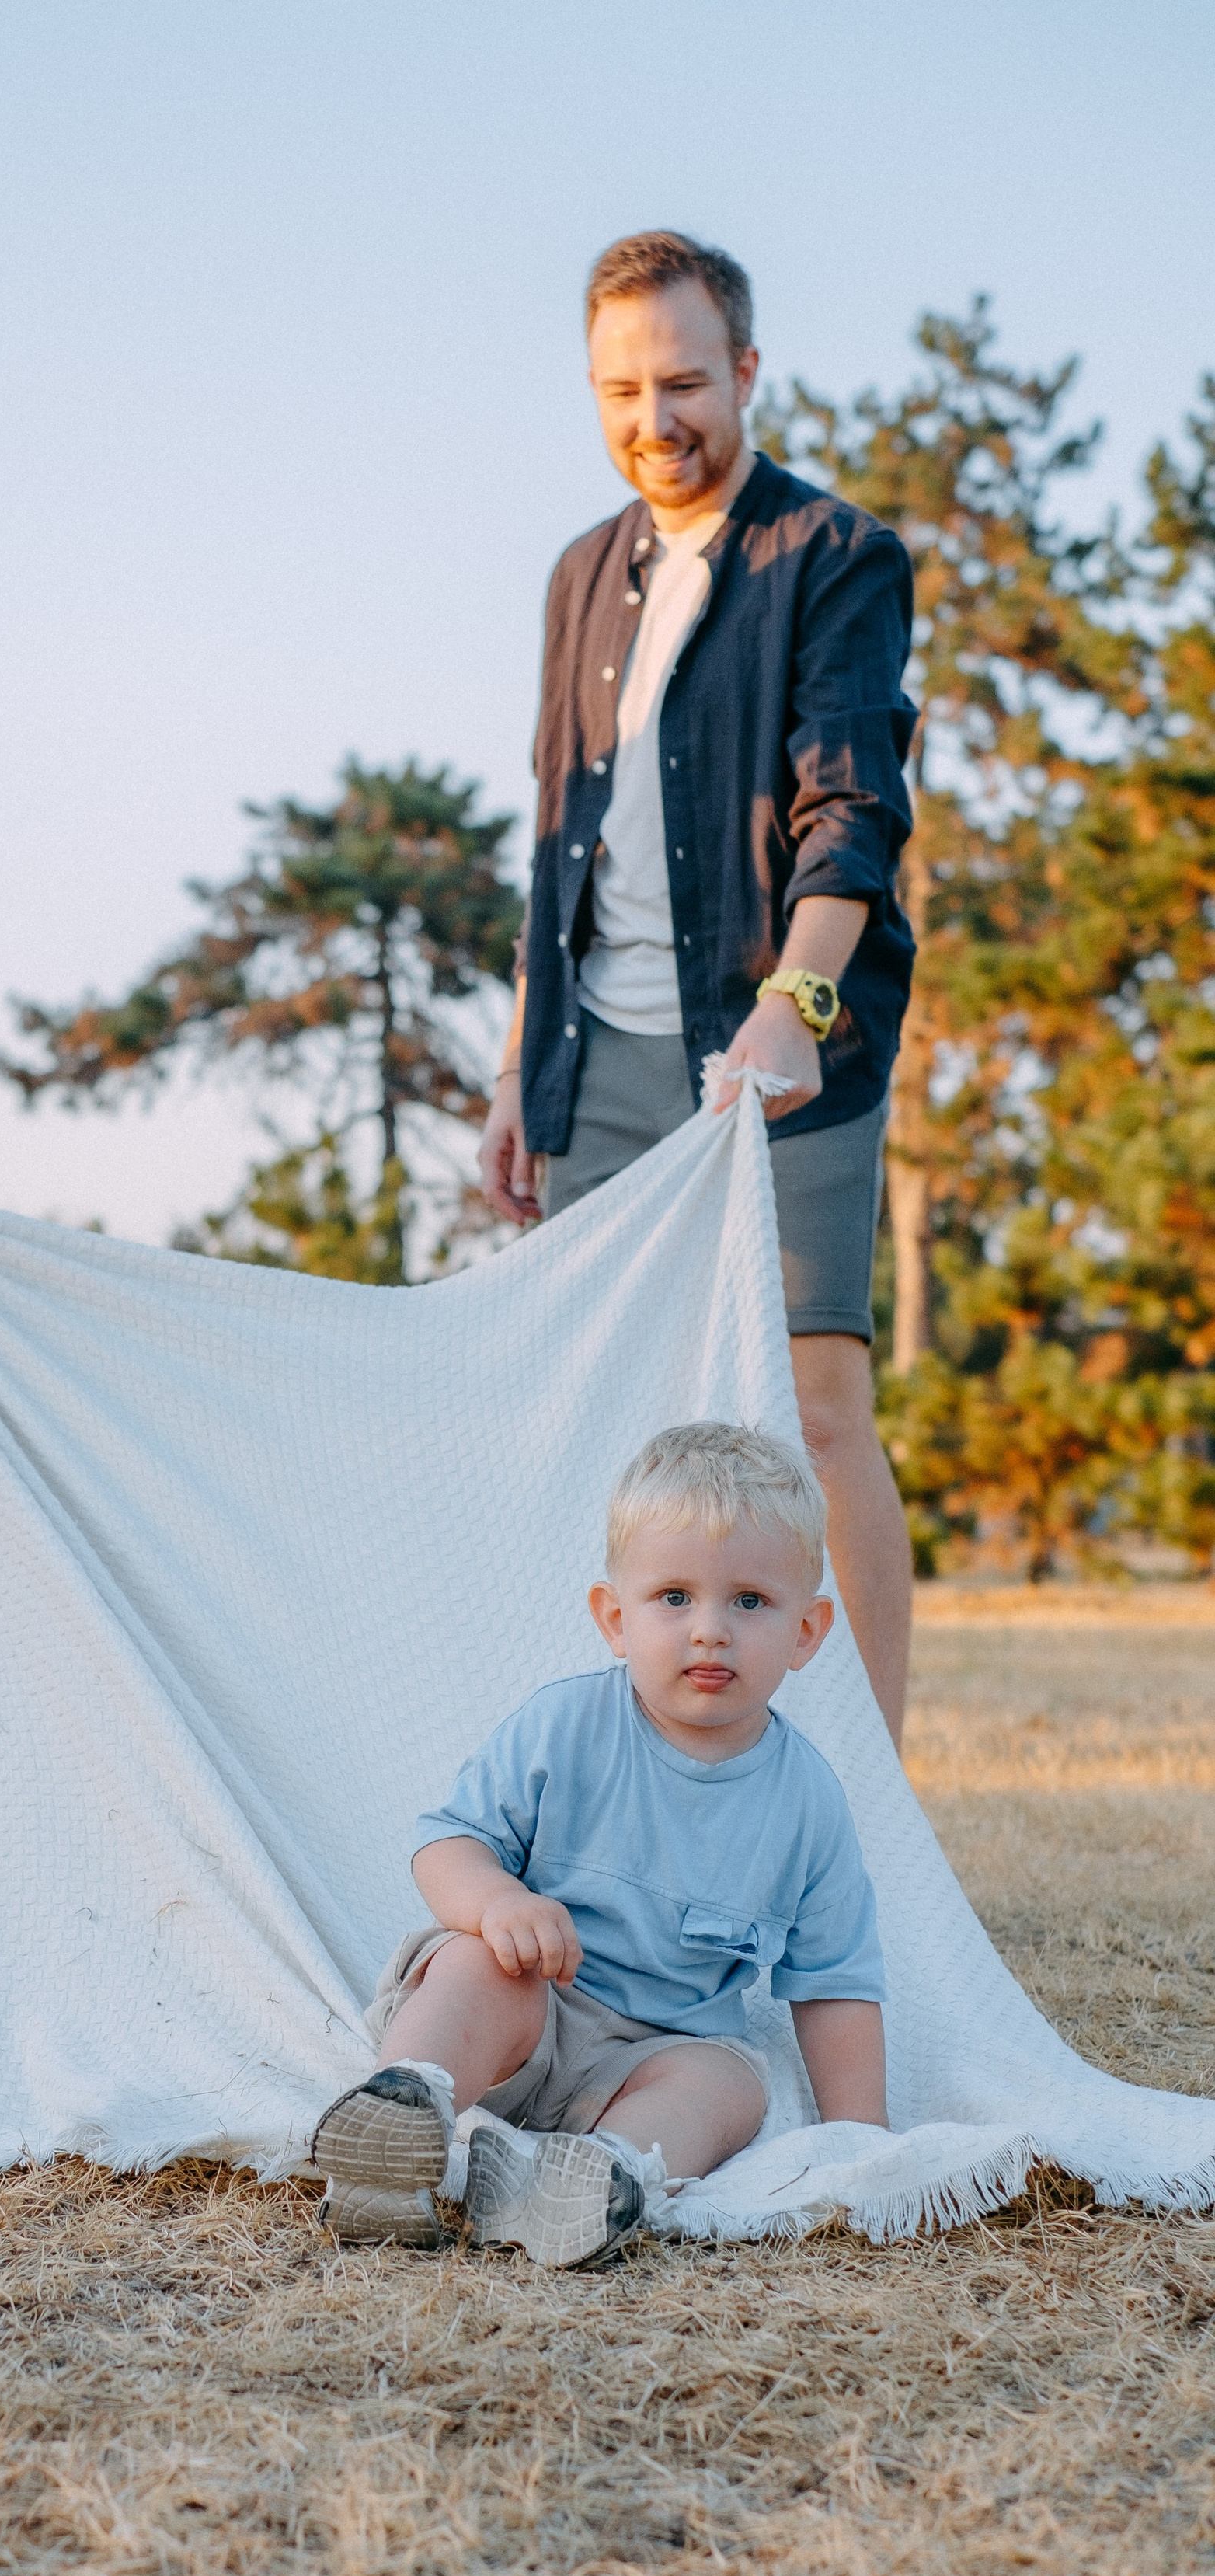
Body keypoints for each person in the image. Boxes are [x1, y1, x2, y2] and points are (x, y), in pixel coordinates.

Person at [479, 232, 918, 1747]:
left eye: (678, 381)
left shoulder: (835, 559)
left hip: (784, 1039)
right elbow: (552, 833)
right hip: (598, 1053)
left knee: (808, 1409)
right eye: (616, 389)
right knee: (626, 1436)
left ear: (742, 369)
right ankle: (647, 1784)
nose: (648, 418)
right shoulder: (574, 579)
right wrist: (515, 1068)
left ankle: (866, 1806)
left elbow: (848, 810)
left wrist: (787, 1013)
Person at [310, 1423, 888, 2268]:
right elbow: (447, 1845)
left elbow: (833, 1981)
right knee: (474, 1965)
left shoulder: (806, 1803)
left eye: (750, 1602)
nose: (710, 1631)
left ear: (807, 1632)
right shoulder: (565, 1728)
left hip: (655, 2055)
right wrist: (498, 1901)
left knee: (729, 2086)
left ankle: (590, 2178)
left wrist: (859, 2143)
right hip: (533, 2008)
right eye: (675, 1598)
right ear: (614, 1619)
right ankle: (403, 2113)